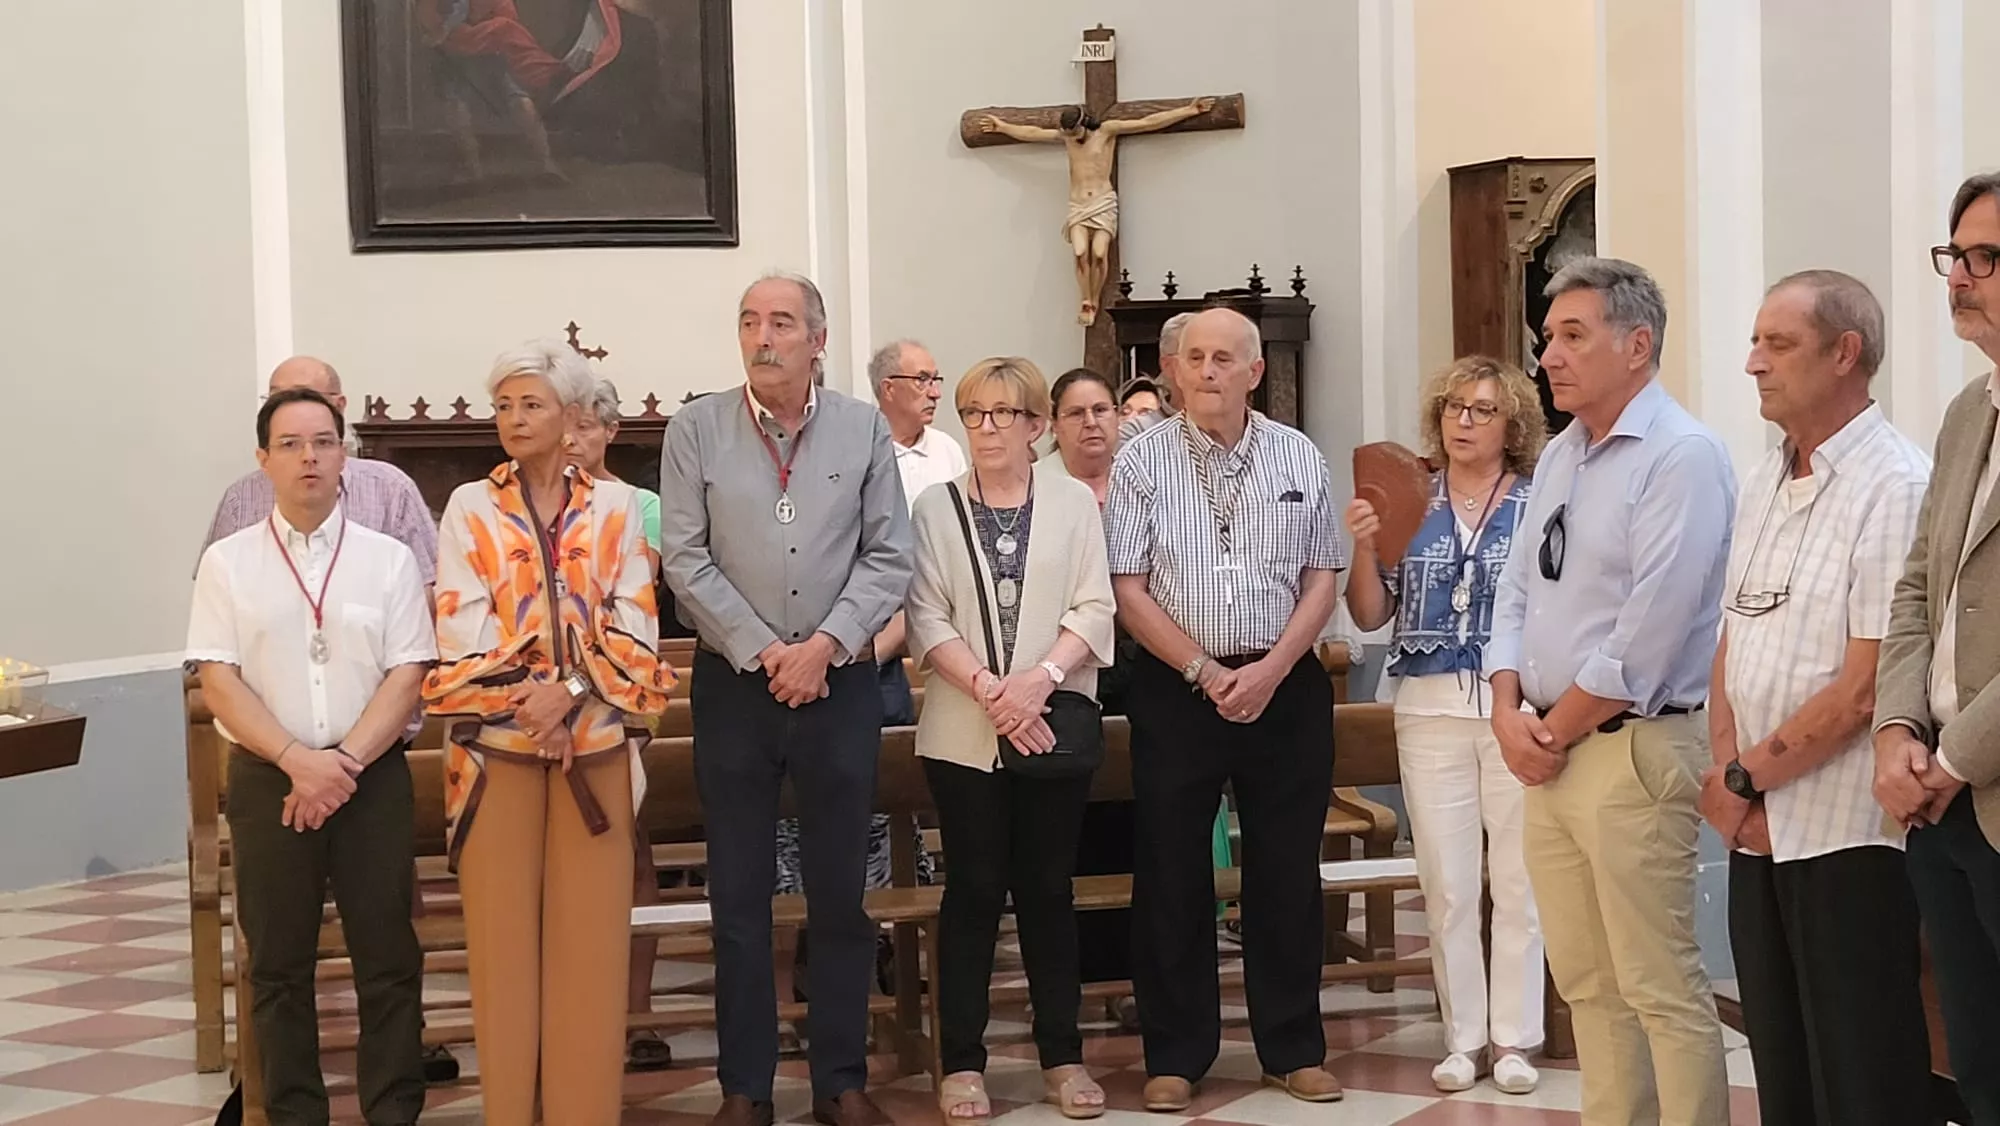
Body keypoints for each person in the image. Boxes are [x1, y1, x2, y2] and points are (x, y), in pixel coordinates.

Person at [1486, 257, 1736, 1125]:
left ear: (1639, 345)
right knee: (1587, 983)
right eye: (1548, 338)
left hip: (1631, 749)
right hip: (1550, 749)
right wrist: (1505, 704)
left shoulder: (1683, 458)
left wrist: (1546, 729)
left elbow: (1652, 629)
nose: (1548, 355)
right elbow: (1516, 590)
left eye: (1571, 336)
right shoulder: (1560, 454)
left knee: (1657, 982)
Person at [658, 271, 912, 1126]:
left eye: (781, 322)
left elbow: (889, 557)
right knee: (737, 899)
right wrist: (768, 651)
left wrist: (825, 648)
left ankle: (841, 1080)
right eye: (748, 321)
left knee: (841, 895)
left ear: (818, 339)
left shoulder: (863, 427)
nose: (762, 336)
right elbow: (684, 561)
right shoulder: (695, 427)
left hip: (838, 685)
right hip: (736, 687)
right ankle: (746, 1088)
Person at [1694, 271, 1932, 1124]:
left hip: (1844, 831)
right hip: (1756, 823)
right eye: (1755, 342)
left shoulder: (1896, 482)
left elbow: (1869, 681)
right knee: (1783, 1062)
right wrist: (1728, 773)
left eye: (1778, 344)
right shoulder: (1763, 478)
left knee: (1860, 1070)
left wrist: (1748, 779)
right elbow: (1734, 638)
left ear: (1845, 353)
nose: (1753, 362)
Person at [425, 340, 675, 1126]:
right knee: (501, 959)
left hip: (593, 754)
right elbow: (457, 634)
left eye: (530, 404)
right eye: (503, 406)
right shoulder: (469, 507)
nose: (513, 419)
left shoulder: (616, 510)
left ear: (571, 418)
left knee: (589, 959)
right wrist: (535, 705)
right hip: (495, 759)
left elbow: (636, 632)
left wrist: (567, 695)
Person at [1106, 306, 1346, 1110]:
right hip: (1180, 689)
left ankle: (1292, 1046)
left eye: (1224, 358)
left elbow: (1323, 574)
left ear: (1253, 372)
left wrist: (1275, 668)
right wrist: (1205, 670)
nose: (1207, 371)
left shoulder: (1298, 454)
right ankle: (1177, 1053)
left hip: (1285, 687)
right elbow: (1127, 587)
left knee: (1286, 871)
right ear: (1174, 371)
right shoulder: (1141, 463)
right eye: (1195, 358)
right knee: (1173, 873)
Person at [187, 388, 433, 1126]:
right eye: (291, 444)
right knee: (278, 966)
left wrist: (342, 765)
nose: (309, 457)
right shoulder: (229, 564)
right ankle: (295, 1113)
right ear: (263, 460)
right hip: (271, 780)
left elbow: (410, 671)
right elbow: (219, 680)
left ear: (345, 455)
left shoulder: (386, 560)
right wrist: (299, 760)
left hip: (371, 777)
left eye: (324, 442)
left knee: (388, 958)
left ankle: (395, 1111)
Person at [905, 356, 1117, 1121]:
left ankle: (1062, 1056)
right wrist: (992, 691)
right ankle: (962, 1063)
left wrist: (1038, 684)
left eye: (1002, 414)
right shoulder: (934, 507)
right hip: (964, 731)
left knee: (1046, 893)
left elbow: (1095, 607)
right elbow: (926, 614)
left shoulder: (1072, 504)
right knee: (972, 893)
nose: (986, 429)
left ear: (1035, 427)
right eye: (973, 414)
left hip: (1050, 723)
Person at [1343, 355, 1548, 1095]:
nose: (1464, 421)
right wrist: (1364, 544)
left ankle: (1516, 1038)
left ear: (1512, 425)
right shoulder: (1408, 498)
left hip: (1514, 708)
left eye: (1483, 409)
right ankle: (1464, 1038)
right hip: (1427, 708)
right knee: (1450, 881)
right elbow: (1370, 614)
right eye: (1455, 407)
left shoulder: (1537, 500)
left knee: (1520, 878)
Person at [1876, 171, 2000, 1124]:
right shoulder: (1969, 413)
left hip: (1980, 777)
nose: (1961, 277)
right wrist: (1896, 732)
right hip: (1939, 801)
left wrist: (1955, 759)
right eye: (1954, 257)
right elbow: (1919, 585)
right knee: (1978, 1061)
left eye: (1986, 259)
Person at [976, 99, 1216, 325]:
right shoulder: (1068, 138)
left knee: (1099, 253)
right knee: (1080, 252)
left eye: (1073, 132)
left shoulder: (1107, 132)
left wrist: (1189, 110)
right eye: (1067, 133)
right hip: (1078, 204)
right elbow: (1032, 133)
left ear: (1085, 123)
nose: (1070, 137)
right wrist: (1002, 126)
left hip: (1102, 202)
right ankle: (1086, 299)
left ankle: (1096, 298)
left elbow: (1147, 122)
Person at [200, 356, 437, 581]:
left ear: (339, 405)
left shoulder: (392, 489)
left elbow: (428, 588)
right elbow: (215, 588)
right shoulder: (240, 499)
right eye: (277, 398)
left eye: (306, 396)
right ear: (263, 458)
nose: (308, 457)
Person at [571, 376, 661, 551]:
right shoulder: (531, 500)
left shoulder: (642, 504)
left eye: (583, 427)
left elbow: (643, 575)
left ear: (610, 431)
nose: (569, 439)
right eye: (561, 428)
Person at [1047, 367, 1119, 506]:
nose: (1091, 423)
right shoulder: (1033, 486)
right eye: (1076, 413)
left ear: (1117, 415)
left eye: (1100, 410)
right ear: (1055, 424)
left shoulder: (1139, 480)